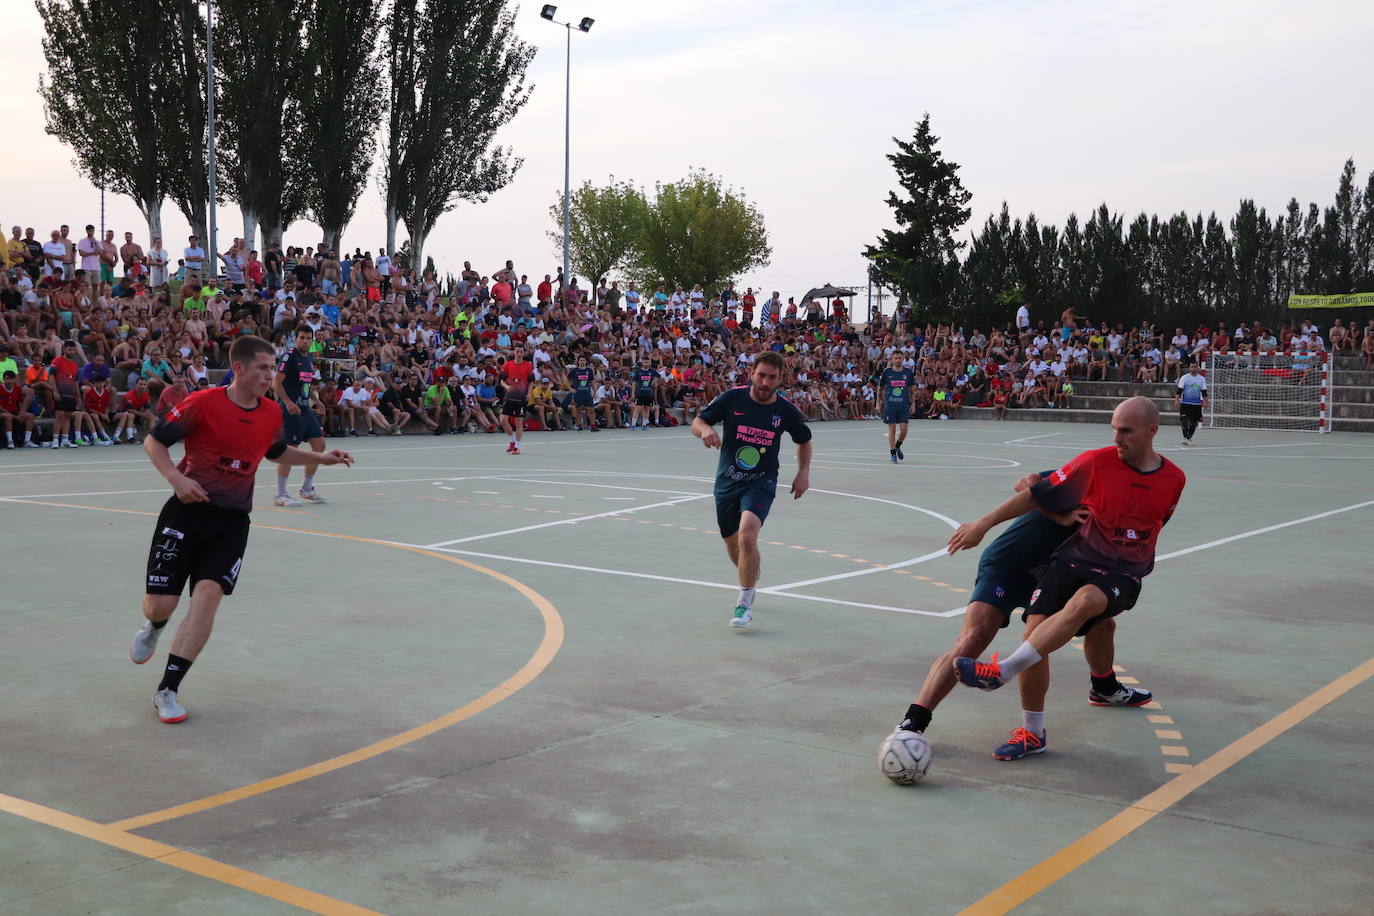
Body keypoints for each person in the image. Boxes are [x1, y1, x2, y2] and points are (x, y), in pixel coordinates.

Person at [128, 335, 354, 723]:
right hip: (186, 513)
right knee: (161, 603)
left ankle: (167, 689)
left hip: (232, 521)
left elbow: (276, 452)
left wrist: (320, 458)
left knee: (207, 597)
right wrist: (175, 479)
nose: (270, 376)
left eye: (272, 368)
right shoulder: (202, 403)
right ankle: (155, 625)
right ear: (238, 368)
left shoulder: (270, 413)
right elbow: (154, 441)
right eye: (263, 368)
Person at [947, 397, 1187, 755]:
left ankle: (1004, 671)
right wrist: (983, 524)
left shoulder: (1173, 479)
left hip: (1123, 571)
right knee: (1036, 634)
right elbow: (1034, 492)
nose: (1117, 438)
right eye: (1114, 429)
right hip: (1073, 562)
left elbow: (1156, 521)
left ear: (1152, 431)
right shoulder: (1094, 463)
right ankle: (1033, 733)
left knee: (1090, 601)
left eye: (1126, 431)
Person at [884, 471, 1126, 761]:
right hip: (1009, 563)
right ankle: (914, 722)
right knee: (973, 639)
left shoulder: (1132, 506)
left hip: (1057, 574)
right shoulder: (1090, 475)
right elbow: (1027, 483)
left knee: (1100, 626)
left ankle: (1104, 688)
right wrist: (1057, 514)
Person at [691, 351, 812, 629]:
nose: (765, 381)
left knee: (747, 537)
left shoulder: (785, 410)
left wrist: (803, 473)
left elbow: (804, 441)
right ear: (752, 373)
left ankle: (744, 602)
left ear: (780, 379)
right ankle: (750, 576)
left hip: (761, 482)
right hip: (727, 482)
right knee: (734, 545)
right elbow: (698, 421)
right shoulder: (732, 398)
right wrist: (706, 431)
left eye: (772, 377)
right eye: (761, 375)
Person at [272, 327, 328, 506]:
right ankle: (280, 494)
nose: (305, 341)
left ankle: (307, 488)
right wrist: (288, 403)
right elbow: (276, 383)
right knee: (290, 450)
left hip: (305, 409)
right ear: (295, 339)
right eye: (302, 338)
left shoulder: (308, 358)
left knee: (319, 445)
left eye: (308, 338)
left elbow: (306, 384)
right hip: (291, 410)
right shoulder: (289, 356)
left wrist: (315, 400)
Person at [878, 353, 914, 463]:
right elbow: (880, 388)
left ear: (903, 358)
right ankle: (893, 454)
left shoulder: (908, 373)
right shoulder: (887, 372)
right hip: (890, 406)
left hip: (903, 405)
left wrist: (913, 404)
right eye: (896, 358)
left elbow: (912, 390)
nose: (898, 360)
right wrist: (878, 403)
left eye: (900, 358)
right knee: (892, 430)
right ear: (892, 360)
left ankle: (898, 446)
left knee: (904, 430)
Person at [499, 347, 534, 453]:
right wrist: (506, 386)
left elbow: (531, 382)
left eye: (521, 352)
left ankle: (517, 447)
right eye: (517, 351)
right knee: (503, 421)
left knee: (518, 422)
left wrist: (529, 393)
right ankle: (512, 441)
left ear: (523, 353)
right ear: (514, 352)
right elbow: (502, 381)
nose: (519, 353)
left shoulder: (528, 365)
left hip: (521, 398)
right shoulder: (507, 365)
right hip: (509, 397)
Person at [1176, 363, 1206, 446]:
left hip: (1196, 404)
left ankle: (1189, 437)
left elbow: (1204, 392)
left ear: (1198, 368)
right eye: (1191, 367)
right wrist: (1177, 400)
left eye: (1195, 367)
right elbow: (1179, 390)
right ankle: (1185, 437)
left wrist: (1206, 401)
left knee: (1194, 423)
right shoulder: (1184, 377)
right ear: (1189, 367)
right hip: (1185, 403)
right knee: (1184, 420)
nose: (1193, 368)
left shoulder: (1201, 379)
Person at [567, 355, 597, 431]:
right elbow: (567, 379)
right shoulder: (574, 371)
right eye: (581, 360)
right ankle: (580, 426)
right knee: (578, 410)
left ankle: (593, 426)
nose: (582, 361)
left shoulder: (589, 371)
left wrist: (595, 391)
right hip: (578, 393)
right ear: (578, 361)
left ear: (586, 361)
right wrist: (570, 388)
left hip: (587, 393)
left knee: (591, 410)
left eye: (583, 360)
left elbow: (592, 381)